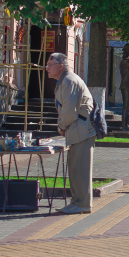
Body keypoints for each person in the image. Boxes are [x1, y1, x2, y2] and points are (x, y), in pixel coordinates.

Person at [46, 52, 95, 214]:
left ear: (61, 66)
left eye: (50, 64)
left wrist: (61, 126)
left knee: (80, 169)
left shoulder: (69, 81)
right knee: (74, 168)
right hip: (76, 130)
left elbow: (69, 111)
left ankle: (82, 204)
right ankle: (77, 202)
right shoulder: (64, 81)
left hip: (81, 130)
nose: (47, 68)